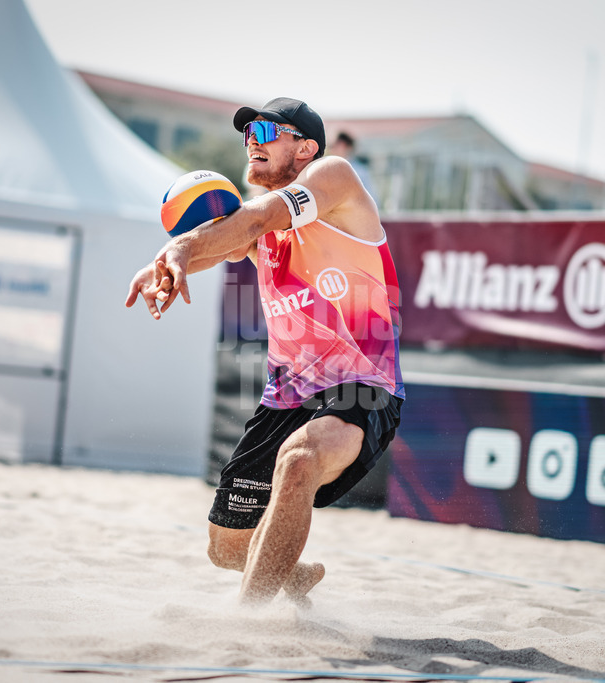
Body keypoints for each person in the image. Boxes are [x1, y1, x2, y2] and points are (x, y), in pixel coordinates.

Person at [125, 97, 405, 606]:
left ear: (306, 148)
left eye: (266, 130)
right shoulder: (264, 230)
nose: (252, 138)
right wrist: (165, 259)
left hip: (363, 386)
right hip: (287, 395)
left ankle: (247, 624)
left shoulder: (334, 177)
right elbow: (224, 238)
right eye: (248, 131)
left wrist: (182, 249)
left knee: (299, 462)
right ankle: (292, 574)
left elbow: (253, 220)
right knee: (226, 547)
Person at [330, 131, 379, 203]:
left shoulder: (359, 171)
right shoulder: (332, 169)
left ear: (343, 145)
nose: (331, 149)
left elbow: (372, 198)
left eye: (333, 145)